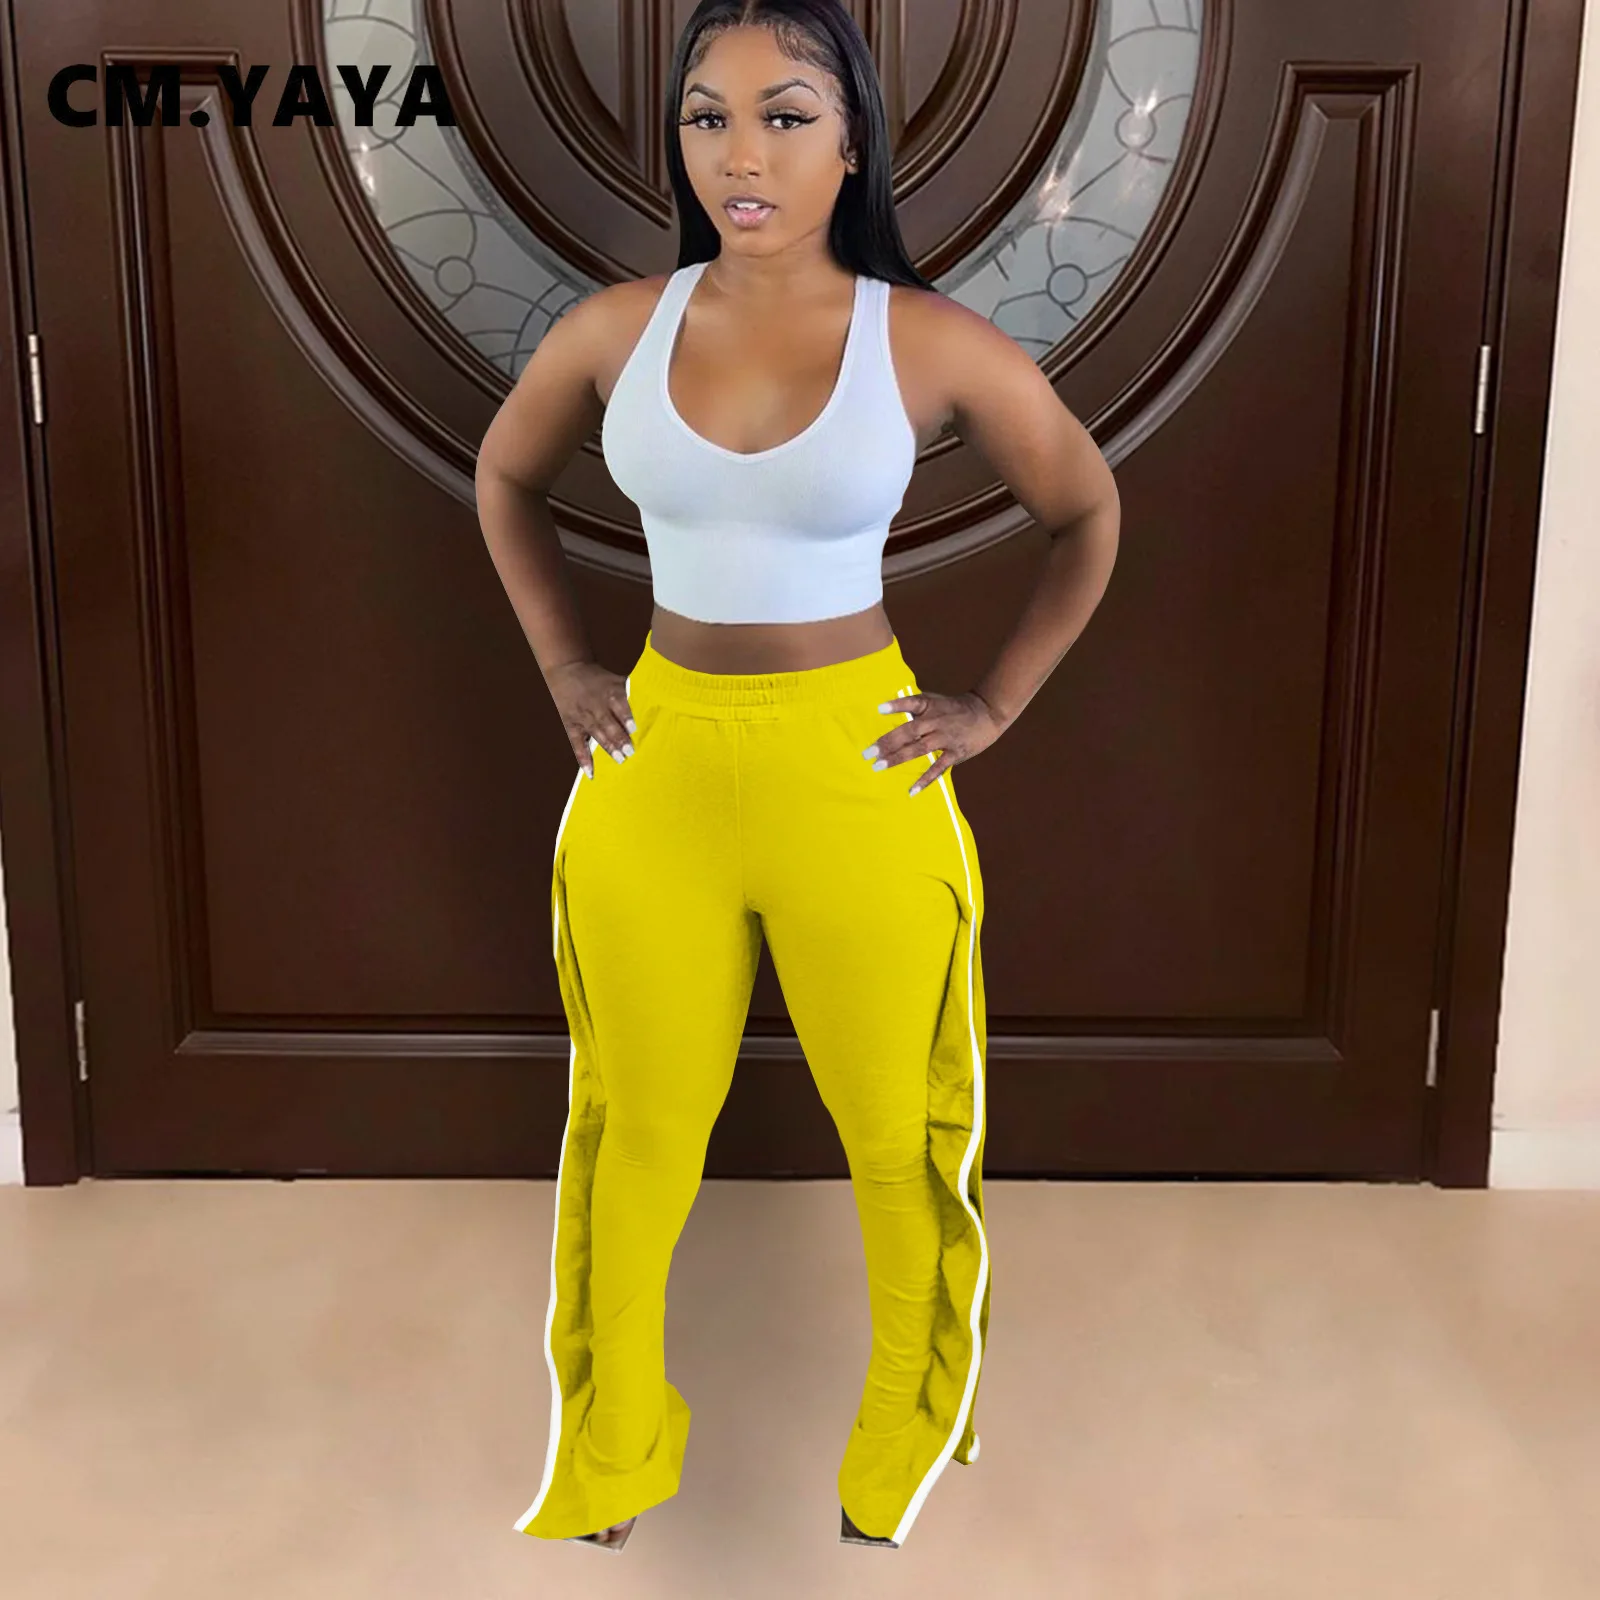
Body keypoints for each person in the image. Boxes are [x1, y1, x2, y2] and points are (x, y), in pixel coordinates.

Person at [476, 0, 1120, 1555]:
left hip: (857, 769)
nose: (741, 154)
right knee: (635, 1133)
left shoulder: (930, 340)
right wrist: (565, 668)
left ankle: (898, 1451)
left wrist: (994, 705)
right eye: (708, 116)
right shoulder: (615, 330)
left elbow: (1086, 510)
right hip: (657, 769)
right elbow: (504, 474)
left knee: (899, 1134)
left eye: (785, 116)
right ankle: (612, 1453)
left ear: (851, 144)